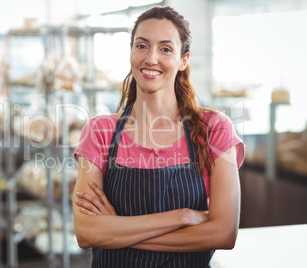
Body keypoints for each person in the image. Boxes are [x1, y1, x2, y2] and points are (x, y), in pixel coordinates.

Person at [72, 6, 245, 267]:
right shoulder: (100, 131)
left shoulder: (213, 129)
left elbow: (223, 233)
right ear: (131, 52)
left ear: (183, 59)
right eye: (142, 46)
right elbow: (87, 233)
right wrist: (182, 217)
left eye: (165, 49)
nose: (151, 59)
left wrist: (116, 231)